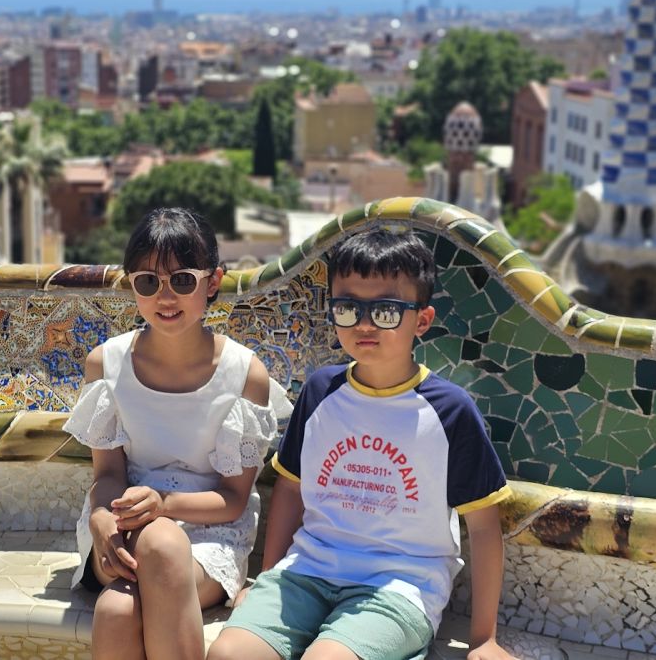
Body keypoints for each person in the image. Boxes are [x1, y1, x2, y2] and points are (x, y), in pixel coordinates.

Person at [208, 229, 516, 660]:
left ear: (421, 320)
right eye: (348, 308)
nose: (365, 324)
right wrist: (266, 578)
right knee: (229, 654)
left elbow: (483, 526)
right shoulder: (320, 392)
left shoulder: (450, 411)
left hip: (401, 587)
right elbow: (291, 491)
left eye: (386, 310)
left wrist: (484, 639)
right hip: (306, 572)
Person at [63, 207, 287, 660]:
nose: (165, 296)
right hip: (124, 527)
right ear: (131, 286)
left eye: (182, 280)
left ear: (213, 281)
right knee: (120, 603)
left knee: (138, 580)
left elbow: (234, 499)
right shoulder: (106, 365)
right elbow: (108, 475)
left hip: (209, 535)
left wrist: (163, 506)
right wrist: (101, 517)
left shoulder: (244, 375)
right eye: (148, 282)